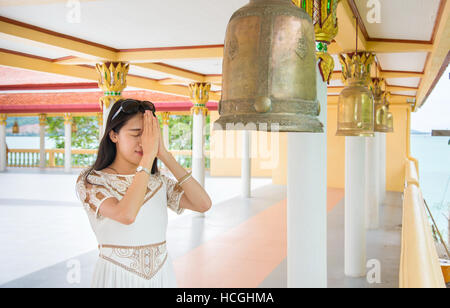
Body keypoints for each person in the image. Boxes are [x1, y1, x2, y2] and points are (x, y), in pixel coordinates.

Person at [75, 98, 212, 288]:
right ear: (114, 135)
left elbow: (203, 204)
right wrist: (148, 157)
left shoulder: (157, 181)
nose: (144, 142)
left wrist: (164, 153)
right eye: (136, 134)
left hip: (161, 277)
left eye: (148, 136)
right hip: (116, 277)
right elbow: (126, 214)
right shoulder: (92, 181)